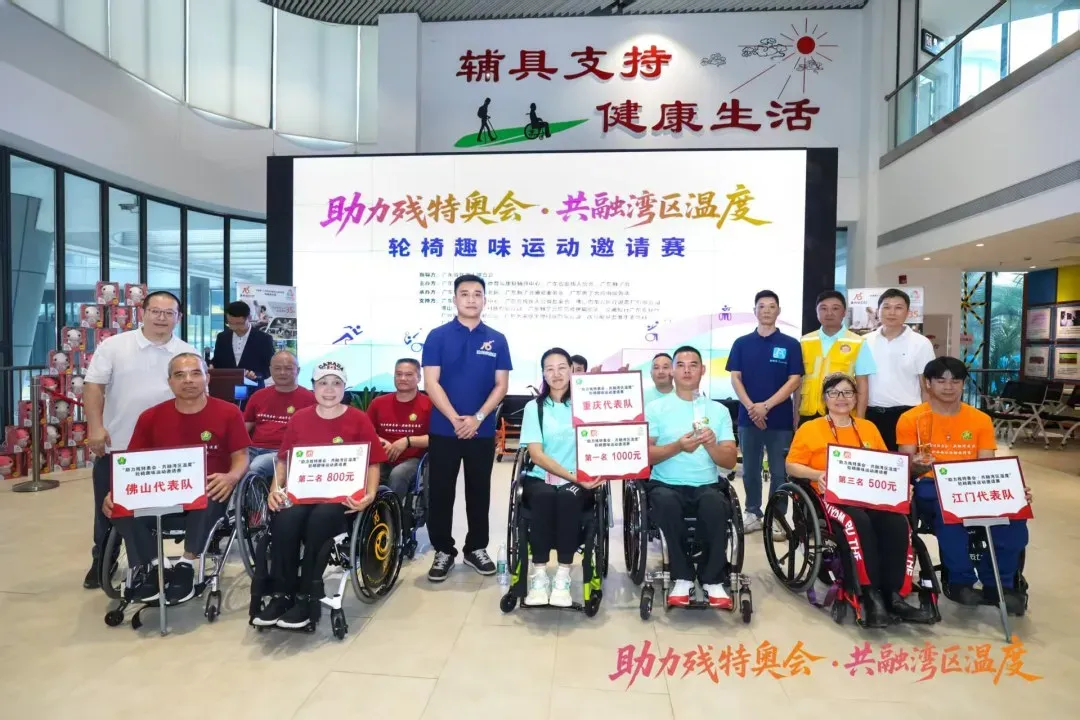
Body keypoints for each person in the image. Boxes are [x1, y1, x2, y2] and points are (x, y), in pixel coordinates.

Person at [101, 353, 249, 604]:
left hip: (208, 490)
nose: (188, 380)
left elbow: (241, 456)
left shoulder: (229, 412)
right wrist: (116, 492)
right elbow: (133, 463)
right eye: (180, 375)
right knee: (117, 506)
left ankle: (186, 565)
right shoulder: (150, 417)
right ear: (170, 382)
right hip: (160, 492)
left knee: (208, 492)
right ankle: (155, 565)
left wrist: (231, 477)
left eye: (195, 373)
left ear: (207, 378)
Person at [785, 372, 929, 626]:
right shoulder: (810, 428)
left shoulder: (867, 427)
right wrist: (817, 474)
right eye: (834, 393)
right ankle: (869, 594)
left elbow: (886, 464)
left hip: (870, 495)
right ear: (824, 398)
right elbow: (791, 465)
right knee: (857, 522)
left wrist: (901, 487)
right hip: (830, 497)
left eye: (847, 392)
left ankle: (894, 594)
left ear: (856, 397)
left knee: (897, 522)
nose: (841, 398)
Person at [255, 361, 387, 629]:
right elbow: (283, 459)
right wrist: (275, 490)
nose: (329, 389)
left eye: (336, 383)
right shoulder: (299, 418)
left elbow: (373, 462)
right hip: (304, 492)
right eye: (323, 383)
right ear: (313, 387)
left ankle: (307, 596)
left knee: (320, 520)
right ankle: (282, 595)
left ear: (344, 387)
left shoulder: (358, 419)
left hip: (340, 497)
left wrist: (371, 494)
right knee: (285, 520)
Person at [896, 357, 1031, 614]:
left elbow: (987, 465)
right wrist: (918, 465)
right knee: (949, 515)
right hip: (931, 486)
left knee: (1014, 515)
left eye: (955, 381)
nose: (949, 387)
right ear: (928, 383)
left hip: (971, 486)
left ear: (962, 384)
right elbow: (906, 468)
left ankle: (1000, 583)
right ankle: (960, 580)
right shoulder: (911, 418)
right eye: (941, 381)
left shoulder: (980, 419)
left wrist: (1013, 492)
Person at [82, 290, 198, 589]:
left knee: (156, 510)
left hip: (168, 452)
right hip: (119, 445)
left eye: (169, 313)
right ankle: (102, 560)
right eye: (155, 311)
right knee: (108, 508)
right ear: (142, 313)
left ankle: (150, 563)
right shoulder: (114, 346)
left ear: (178, 318)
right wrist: (95, 427)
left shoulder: (186, 352)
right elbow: (93, 387)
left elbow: (199, 396)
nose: (161, 318)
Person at [421, 274, 511, 581]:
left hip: (480, 431)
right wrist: (455, 418)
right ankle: (443, 550)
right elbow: (431, 382)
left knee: (479, 491)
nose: (471, 299)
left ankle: (476, 548)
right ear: (455, 299)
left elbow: (501, 385)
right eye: (465, 293)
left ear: (485, 299)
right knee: (441, 492)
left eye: (477, 294)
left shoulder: (497, 339)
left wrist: (478, 418)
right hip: (444, 429)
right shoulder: (438, 336)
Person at [645, 346, 738, 608]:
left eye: (693, 365)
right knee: (666, 505)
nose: (687, 370)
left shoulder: (718, 411)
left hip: (707, 484)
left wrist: (710, 445)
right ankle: (682, 577)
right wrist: (677, 447)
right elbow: (646, 455)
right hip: (666, 483)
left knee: (716, 506)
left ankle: (712, 580)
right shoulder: (656, 408)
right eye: (681, 365)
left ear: (702, 370)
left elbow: (729, 460)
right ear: (672, 372)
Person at [517, 348, 604, 607]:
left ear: (572, 370)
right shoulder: (534, 408)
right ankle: (540, 576)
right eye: (550, 369)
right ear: (543, 374)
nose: (556, 374)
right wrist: (573, 477)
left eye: (562, 367)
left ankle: (563, 577)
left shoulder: (587, 404)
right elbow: (536, 455)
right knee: (543, 498)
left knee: (567, 499)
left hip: (579, 480)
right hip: (542, 477)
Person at [726, 290, 803, 533]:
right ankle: (752, 511)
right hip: (748, 418)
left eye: (771, 306)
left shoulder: (790, 344)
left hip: (779, 419)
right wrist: (752, 408)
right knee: (750, 469)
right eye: (761, 306)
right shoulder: (741, 343)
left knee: (779, 472)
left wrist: (766, 406)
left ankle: (777, 517)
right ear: (755, 311)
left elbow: (794, 380)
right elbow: (735, 378)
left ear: (778, 311)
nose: (766, 310)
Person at [864, 289, 936, 451]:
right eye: (886, 307)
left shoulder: (921, 343)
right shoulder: (864, 341)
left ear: (908, 312)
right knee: (872, 463)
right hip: (871, 415)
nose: (892, 312)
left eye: (898, 307)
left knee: (904, 464)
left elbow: (926, 388)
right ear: (878, 311)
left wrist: (925, 424)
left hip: (907, 415)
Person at [798, 291, 876, 425]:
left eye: (835, 308)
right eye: (823, 308)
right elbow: (798, 382)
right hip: (809, 413)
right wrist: (795, 416)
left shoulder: (858, 343)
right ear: (816, 312)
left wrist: (860, 420)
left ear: (844, 312)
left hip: (842, 413)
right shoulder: (805, 341)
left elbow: (863, 385)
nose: (829, 313)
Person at [243, 351, 315, 481]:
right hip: (253, 449)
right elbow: (244, 427)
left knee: (256, 466)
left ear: (298, 371)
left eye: (288, 368)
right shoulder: (258, 396)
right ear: (270, 370)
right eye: (277, 368)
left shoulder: (310, 399)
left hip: (284, 452)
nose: (282, 372)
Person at [366, 358, 431, 498]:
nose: (402, 378)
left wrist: (407, 441)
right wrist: (381, 441)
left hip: (413, 460)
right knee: (366, 473)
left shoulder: (429, 404)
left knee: (398, 474)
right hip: (381, 457)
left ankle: (393, 511)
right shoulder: (378, 403)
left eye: (409, 374)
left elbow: (436, 438)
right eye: (398, 374)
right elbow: (365, 433)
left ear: (419, 378)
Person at [210, 301, 276, 386]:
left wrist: (256, 375)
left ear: (249, 318)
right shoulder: (222, 337)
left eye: (239, 324)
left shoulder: (264, 339)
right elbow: (217, 361)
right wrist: (211, 365)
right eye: (230, 323)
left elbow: (270, 366)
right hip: (226, 387)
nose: (234, 328)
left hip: (253, 387)